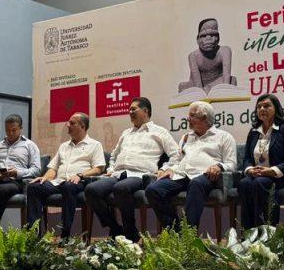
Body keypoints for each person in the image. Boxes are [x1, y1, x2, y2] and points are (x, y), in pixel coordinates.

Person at [84, 97, 180, 242]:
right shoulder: (126, 133)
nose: (130, 112)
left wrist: (165, 168)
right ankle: (116, 229)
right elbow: (113, 155)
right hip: (118, 174)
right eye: (129, 109)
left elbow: (176, 154)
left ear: (145, 111)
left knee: (121, 188)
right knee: (91, 190)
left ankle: (130, 232)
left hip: (140, 175)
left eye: (133, 109)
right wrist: (111, 168)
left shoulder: (160, 132)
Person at [145, 100, 237, 231]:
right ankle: (177, 231)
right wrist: (166, 168)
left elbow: (232, 164)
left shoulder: (224, 137)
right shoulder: (186, 137)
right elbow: (176, 160)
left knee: (196, 183)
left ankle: (189, 233)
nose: (188, 118)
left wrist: (219, 166)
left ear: (204, 118)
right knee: (153, 190)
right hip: (182, 175)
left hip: (205, 176)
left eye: (192, 115)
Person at [26, 113, 105, 240]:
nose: (68, 125)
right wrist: (45, 177)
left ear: (82, 126)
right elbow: (53, 168)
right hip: (59, 182)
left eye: (72, 123)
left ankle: (65, 234)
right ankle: (33, 235)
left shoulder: (95, 145)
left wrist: (80, 175)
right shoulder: (64, 146)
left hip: (80, 182)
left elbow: (98, 168)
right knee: (34, 187)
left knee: (68, 186)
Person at [238, 94, 284, 228]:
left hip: (279, 178)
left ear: (276, 109)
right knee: (244, 183)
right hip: (257, 175)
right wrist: (250, 169)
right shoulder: (254, 132)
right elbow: (247, 158)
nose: (262, 109)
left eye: (266, 106)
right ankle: (247, 234)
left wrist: (271, 171)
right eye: (259, 107)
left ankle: (266, 232)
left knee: (260, 182)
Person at [179, 18, 236, 93]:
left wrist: (223, 89)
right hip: (197, 84)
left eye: (212, 35)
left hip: (218, 82)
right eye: (204, 36)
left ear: (218, 38)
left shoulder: (224, 51)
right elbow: (198, 84)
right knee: (183, 87)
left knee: (232, 81)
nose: (208, 39)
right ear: (197, 39)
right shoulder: (193, 56)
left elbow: (226, 82)